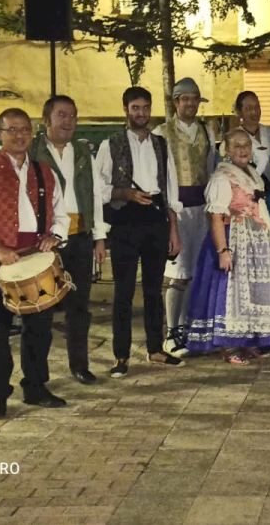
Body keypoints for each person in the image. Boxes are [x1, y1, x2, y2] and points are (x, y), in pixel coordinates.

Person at [0, 108, 70, 419]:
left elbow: (60, 213)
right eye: (12, 129)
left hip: (36, 259)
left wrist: (55, 236)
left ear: (32, 133)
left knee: (39, 329)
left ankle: (35, 387)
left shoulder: (45, 172)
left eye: (24, 129)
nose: (19, 135)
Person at [183, 130, 270, 364]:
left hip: (255, 240)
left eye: (246, 145)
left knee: (252, 290)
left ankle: (248, 340)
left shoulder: (252, 173)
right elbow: (216, 216)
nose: (243, 150)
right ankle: (229, 344)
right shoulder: (222, 177)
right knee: (229, 290)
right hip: (233, 238)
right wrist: (223, 250)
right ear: (227, 150)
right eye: (236, 146)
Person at [97, 87, 183, 377]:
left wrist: (174, 230)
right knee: (123, 290)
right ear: (126, 109)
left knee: (153, 288)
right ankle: (121, 356)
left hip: (156, 217)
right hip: (125, 217)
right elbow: (99, 187)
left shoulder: (160, 144)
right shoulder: (111, 144)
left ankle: (156, 349)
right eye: (135, 108)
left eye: (145, 107)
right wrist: (126, 193)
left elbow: (171, 188)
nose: (141, 113)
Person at [31, 95, 107, 385]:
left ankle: (80, 365)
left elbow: (95, 195)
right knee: (42, 308)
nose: (68, 121)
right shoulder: (34, 151)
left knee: (79, 306)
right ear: (46, 119)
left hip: (80, 236)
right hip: (45, 241)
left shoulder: (83, 151)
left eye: (73, 116)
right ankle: (38, 376)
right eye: (61, 115)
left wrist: (99, 237)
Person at [153, 78, 217, 357]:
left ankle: (186, 328)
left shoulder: (206, 131)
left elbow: (211, 169)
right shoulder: (161, 133)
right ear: (176, 102)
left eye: (194, 99)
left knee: (194, 271)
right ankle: (171, 332)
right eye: (185, 99)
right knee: (177, 272)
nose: (190, 104)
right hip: (175, 209)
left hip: (201, 209)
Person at [232, 90, 270, 192]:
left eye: (257, 107)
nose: (254, 112)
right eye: (249, 108)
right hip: (247, 191)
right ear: (240, 112)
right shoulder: (233, 138)